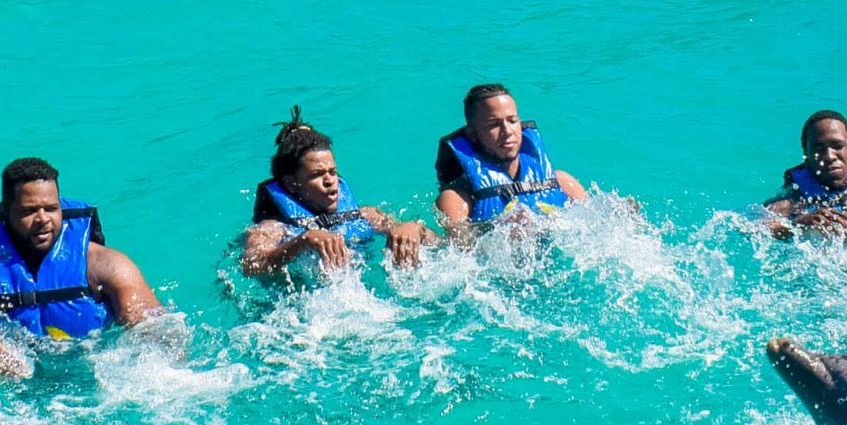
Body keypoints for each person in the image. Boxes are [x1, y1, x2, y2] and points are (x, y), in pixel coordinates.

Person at [0, 157, 162, 377]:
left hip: (94, 377)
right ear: (4, 213)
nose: (43, 219)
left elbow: (153, 325)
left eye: (51, 208)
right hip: (13, 390)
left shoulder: (106, 266)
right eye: (29, 211)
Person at [241, 109, 439, 276]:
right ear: (291, 184)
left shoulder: (367, 215)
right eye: (317, 175)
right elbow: (251, 266)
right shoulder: (272, 228)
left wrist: (414, 229)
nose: (330, 181)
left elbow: (440, 244)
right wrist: (302, 242)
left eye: (333, 172)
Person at [434, 84, 589, 227]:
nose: (507, 131)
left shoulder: (562, 183)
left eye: (512, 121)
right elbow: (461, 250)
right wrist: (498, 229)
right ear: (472, 134)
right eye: (494, 124)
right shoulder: (456, 200)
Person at [764, 110, 847, 236]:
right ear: (807, 155)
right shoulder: (791, 202)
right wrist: (797, 226)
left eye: (838, 146)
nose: (829, 156)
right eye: (818, 149)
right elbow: (754, 227)